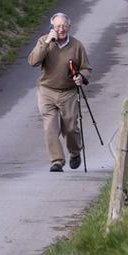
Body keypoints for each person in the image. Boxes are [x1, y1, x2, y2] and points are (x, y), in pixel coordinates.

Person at [28, 12, 90, 171]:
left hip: (68, 92)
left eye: (64, 26)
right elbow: (33, 61)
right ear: (52, 27)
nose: (61, 29)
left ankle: (75, 152)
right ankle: (57, 161)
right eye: (57, 26)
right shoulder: (44, 41)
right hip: (46, 91)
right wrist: (47, 42)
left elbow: (85, 67)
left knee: (70, 128)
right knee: (50, 127)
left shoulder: (76, 45)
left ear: (69, 27)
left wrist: (81, 77)